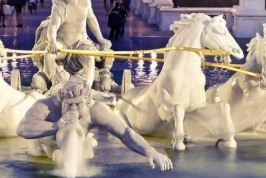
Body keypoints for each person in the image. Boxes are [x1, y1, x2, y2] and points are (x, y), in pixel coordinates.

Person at [18, 54, 173, 171]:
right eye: (68, 104)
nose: (72, 109)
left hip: (74, 144)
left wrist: (149, 150)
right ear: (61, 99)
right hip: (44, 149)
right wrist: (57, 125)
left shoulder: (96, 110)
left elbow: (125, 133)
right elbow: (22, 128)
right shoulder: (47, 105)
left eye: (77, 104)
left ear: (87, 102)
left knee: (85, 148)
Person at [31, 0, 112, 88]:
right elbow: (53, 26)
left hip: (82, 43)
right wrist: (52, 42)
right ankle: (52, 85)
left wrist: (101, 39)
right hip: (63, 43)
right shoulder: (60, 4)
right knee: (49, 55)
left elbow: (91, 19)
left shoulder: (85, 1)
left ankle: (86, 88)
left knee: (89, 57)